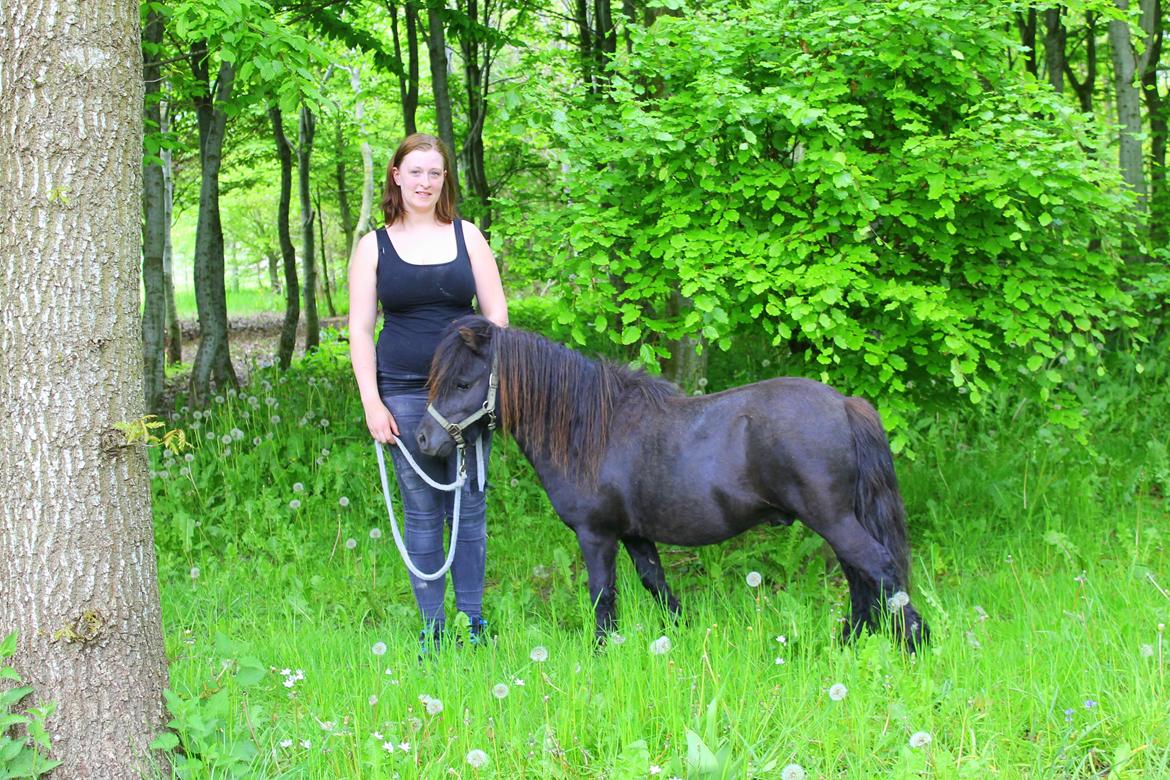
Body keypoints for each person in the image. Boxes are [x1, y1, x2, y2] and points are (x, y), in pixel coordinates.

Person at [348, 133, 508, 653]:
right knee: (421, 509)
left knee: (469, 504)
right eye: (414, 171)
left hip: (463, 394)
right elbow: (359, 329)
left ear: (444, 180)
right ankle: (434, 630)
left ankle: (472, 623)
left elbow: (497, 316)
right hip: (403, 391)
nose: (424, 181)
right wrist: (372, 401)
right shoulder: (373, 246)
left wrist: (480, 375)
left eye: (434, 173)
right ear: (396, 175)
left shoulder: (468, 236)